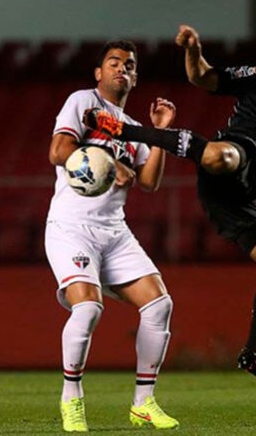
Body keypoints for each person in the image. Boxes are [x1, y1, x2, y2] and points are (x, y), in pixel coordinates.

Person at [85, 24, 256, 393]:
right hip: (230, 157)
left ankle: (255, 350)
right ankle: (119, 129)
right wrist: (193, 49)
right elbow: (203, 77)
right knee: (221, 154)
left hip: (239, 194)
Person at [46, 40, 179, 432]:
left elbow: (151, 181)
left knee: (159, 305)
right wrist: (109, 162)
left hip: (114, 230)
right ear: (99, 73)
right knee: (88, 307)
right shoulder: (82, 101)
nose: (123, 68)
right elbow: (58, 150)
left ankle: (144, 403)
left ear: (135, 78)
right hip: (72, 226)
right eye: (114, 62)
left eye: (130, 65)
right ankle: (72, 399)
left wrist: (159, 134)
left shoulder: (132, 129)